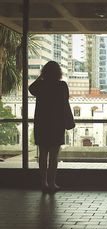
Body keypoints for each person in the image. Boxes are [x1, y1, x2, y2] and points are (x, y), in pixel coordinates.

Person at [29, 61, 70, 193]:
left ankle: (43, 183)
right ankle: (52, 183)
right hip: (57, 124)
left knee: (42, 155)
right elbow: (65, 102)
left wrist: (41, 77)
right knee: (53, 156)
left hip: (42, 124)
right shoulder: (62, 86)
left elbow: (31, 88)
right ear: (59, 72)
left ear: (44, 72)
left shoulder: (40, 85)